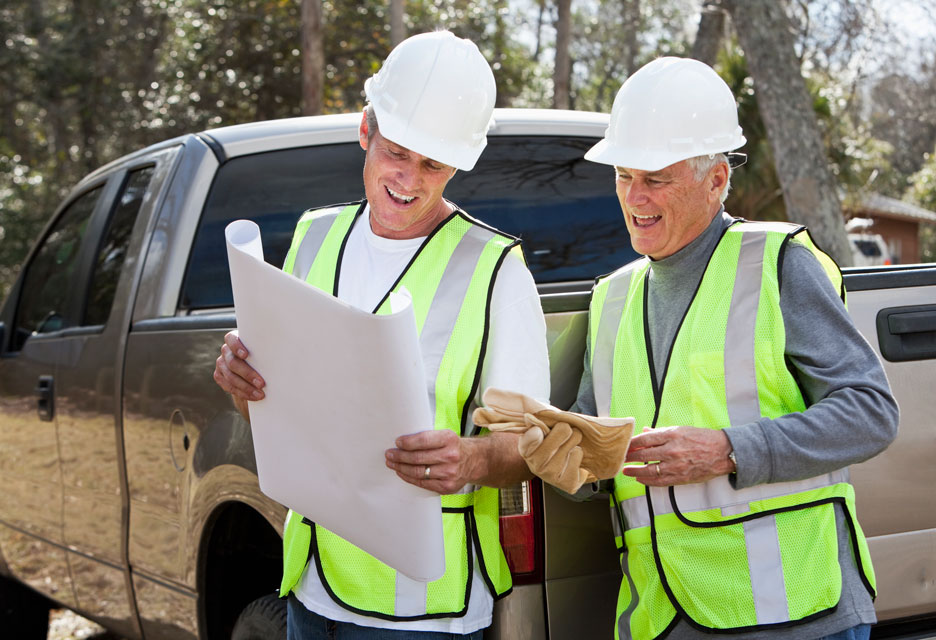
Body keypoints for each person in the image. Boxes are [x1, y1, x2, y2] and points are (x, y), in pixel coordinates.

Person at [213, 31, 549, 639]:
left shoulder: (495, 269)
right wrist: (241, 381)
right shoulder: (315, 239)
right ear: (365, 128)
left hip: (425, 612)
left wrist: (472, 458)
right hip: (313, 587)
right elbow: (269, 406)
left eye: (434, 164)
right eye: (397, 152)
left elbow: (530, 446)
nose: (410, 180)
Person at [574, 57, 898, 640]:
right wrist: (555, 450)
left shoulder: (776, 265)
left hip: (794, 613)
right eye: (624, 176)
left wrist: (728, 450)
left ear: (716, 179)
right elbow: (597, 444)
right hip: (661, 614)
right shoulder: (611, 298)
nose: (634, 196)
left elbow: (870, 414)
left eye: (656, 178)